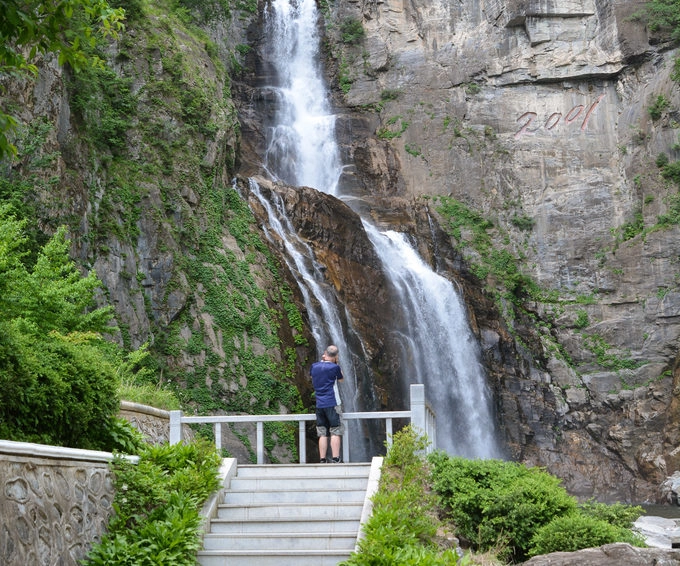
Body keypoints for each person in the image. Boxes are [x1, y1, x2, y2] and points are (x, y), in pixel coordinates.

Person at [310, 345, 344, 463]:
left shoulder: (314, 366)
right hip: (333, 403)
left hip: (319, 404)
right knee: (335, 430)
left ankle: (322, 459)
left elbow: (312, 376)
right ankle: (335, 458)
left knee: (322, 432)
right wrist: (336, 363)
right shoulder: (335, 367)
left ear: (324, 353)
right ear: (335, 356)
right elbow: (341, 379)